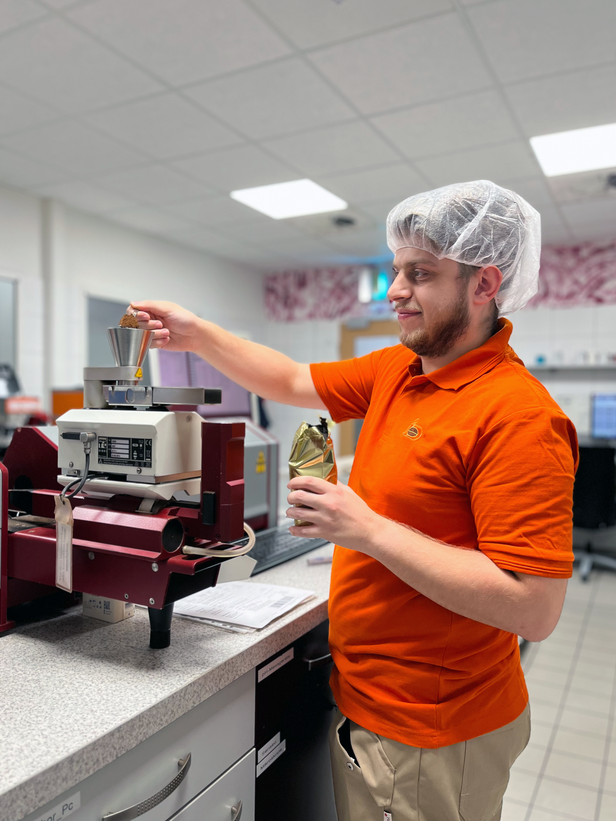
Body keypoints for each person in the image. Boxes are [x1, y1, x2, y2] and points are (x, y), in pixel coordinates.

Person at [130, 180, 577, 821]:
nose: (395, 291)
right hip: (369, 698)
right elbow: (290, 379)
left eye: (420, 274)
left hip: (432, 729)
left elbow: (534, 609)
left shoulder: (519, 417)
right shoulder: (399, 369)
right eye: (397, 270)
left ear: (484, 283)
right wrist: (198, 335)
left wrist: (367, 528)